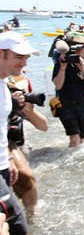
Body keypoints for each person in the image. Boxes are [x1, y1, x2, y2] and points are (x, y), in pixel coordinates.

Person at [0, 31, 41, 234]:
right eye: (18, 56)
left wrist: (7, 157)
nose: (24, 63)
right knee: (16, 226)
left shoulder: (4, 86)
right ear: (1, 53)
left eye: (26, 58)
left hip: (4, 166)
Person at [7, 74, 48, 217]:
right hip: (7, 148)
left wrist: (29, 111)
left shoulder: (14, 91)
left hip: (15, 143)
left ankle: (32, 216)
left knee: (27, 179)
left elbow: (43, 126)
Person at [52, 35, 84, 147]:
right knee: (75, 138)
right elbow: (58, 85)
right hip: (65, 105)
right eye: (74, 48)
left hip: (82, 105)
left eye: (80, 48)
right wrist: (63, 68)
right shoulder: (61, 63)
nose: (78, 51)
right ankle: (67, 162)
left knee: (82, 137)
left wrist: (83, 68)